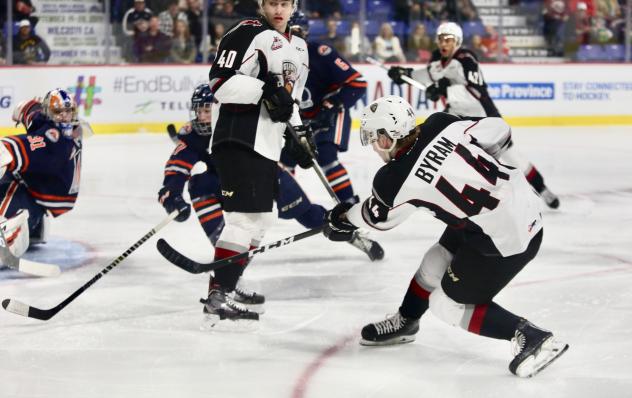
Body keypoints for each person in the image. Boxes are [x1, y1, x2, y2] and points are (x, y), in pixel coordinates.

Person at [322, 95, 569, 378]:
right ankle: (407, 321)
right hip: (516, 207)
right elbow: (499, 129)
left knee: (447, 304)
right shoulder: (440, 123)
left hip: (504, 238)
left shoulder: (394, 179)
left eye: (375, 139)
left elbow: (376, 219)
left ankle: (531, 337)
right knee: (435, 261)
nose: (374, 148)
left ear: (388, 137)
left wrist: (341, 219)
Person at [202, 0, 310, 325]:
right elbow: (220, 82)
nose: (279, 9)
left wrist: (300, 134)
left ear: (293, 6)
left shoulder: (292, 48)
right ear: (262, 4)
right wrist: (265, 91)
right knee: (245, 220)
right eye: (272, 2)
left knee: (260, 222)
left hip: (265, 143)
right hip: (239, 138)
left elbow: (286, 100)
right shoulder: (249, 31)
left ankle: (228, 286)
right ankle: (217, 295)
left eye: (284, 3)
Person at [387, 22, 560, 209]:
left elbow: (476, 91)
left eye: (448, 39)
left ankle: (541, 189)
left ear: (457, 41)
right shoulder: (438, 61)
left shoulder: (466, 59)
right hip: (458, 119)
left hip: (485, 119)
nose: (443, 43)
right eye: (440, 39)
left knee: (513, 159)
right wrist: (404, 74)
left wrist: (446, 88)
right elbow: (427, 76)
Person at [283, 11, 368, 205]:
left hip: (328, 113)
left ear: (305, 32)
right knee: (284, 163)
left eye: (297, 31)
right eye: (287, 31)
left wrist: (331, 107)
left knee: (327, 156)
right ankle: (293, 204)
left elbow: (357, 84)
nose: (292, 37)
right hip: (301, 118)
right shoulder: (274, 58)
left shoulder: (322, 53)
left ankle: (349, 206)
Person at [1, 89, 89, 267]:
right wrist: (24, 109)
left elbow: (9, 150)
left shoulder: (55, 140)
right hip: (39, 192)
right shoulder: (48, 123)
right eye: (58, 112)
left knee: (9, 171)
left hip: (34, 194)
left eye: (68, 111)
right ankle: (34, 226)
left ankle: (14, 234)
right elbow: (27, 109)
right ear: (47, 112)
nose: (64, 117)